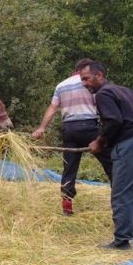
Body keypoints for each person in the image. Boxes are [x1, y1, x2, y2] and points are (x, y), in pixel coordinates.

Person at [80, 61, 133, 250]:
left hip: (128, 145)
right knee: (132, 186)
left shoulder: (104, 93)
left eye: (86, 79)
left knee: (121, 192)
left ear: (99, 76)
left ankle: (121, 240)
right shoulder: (125, 91)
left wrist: (99, 142)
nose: (84, 83)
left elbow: (114, 121)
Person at [32, 58, 113, 216]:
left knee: (69, 168)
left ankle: (67, 207)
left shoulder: (61, 85)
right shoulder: (91, 82)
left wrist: (41, 128)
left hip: (69, 129)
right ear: (84, 69)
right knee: (111, 163)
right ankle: (120, 197)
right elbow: (101, 104)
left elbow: (53, 108)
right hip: (90, 126)